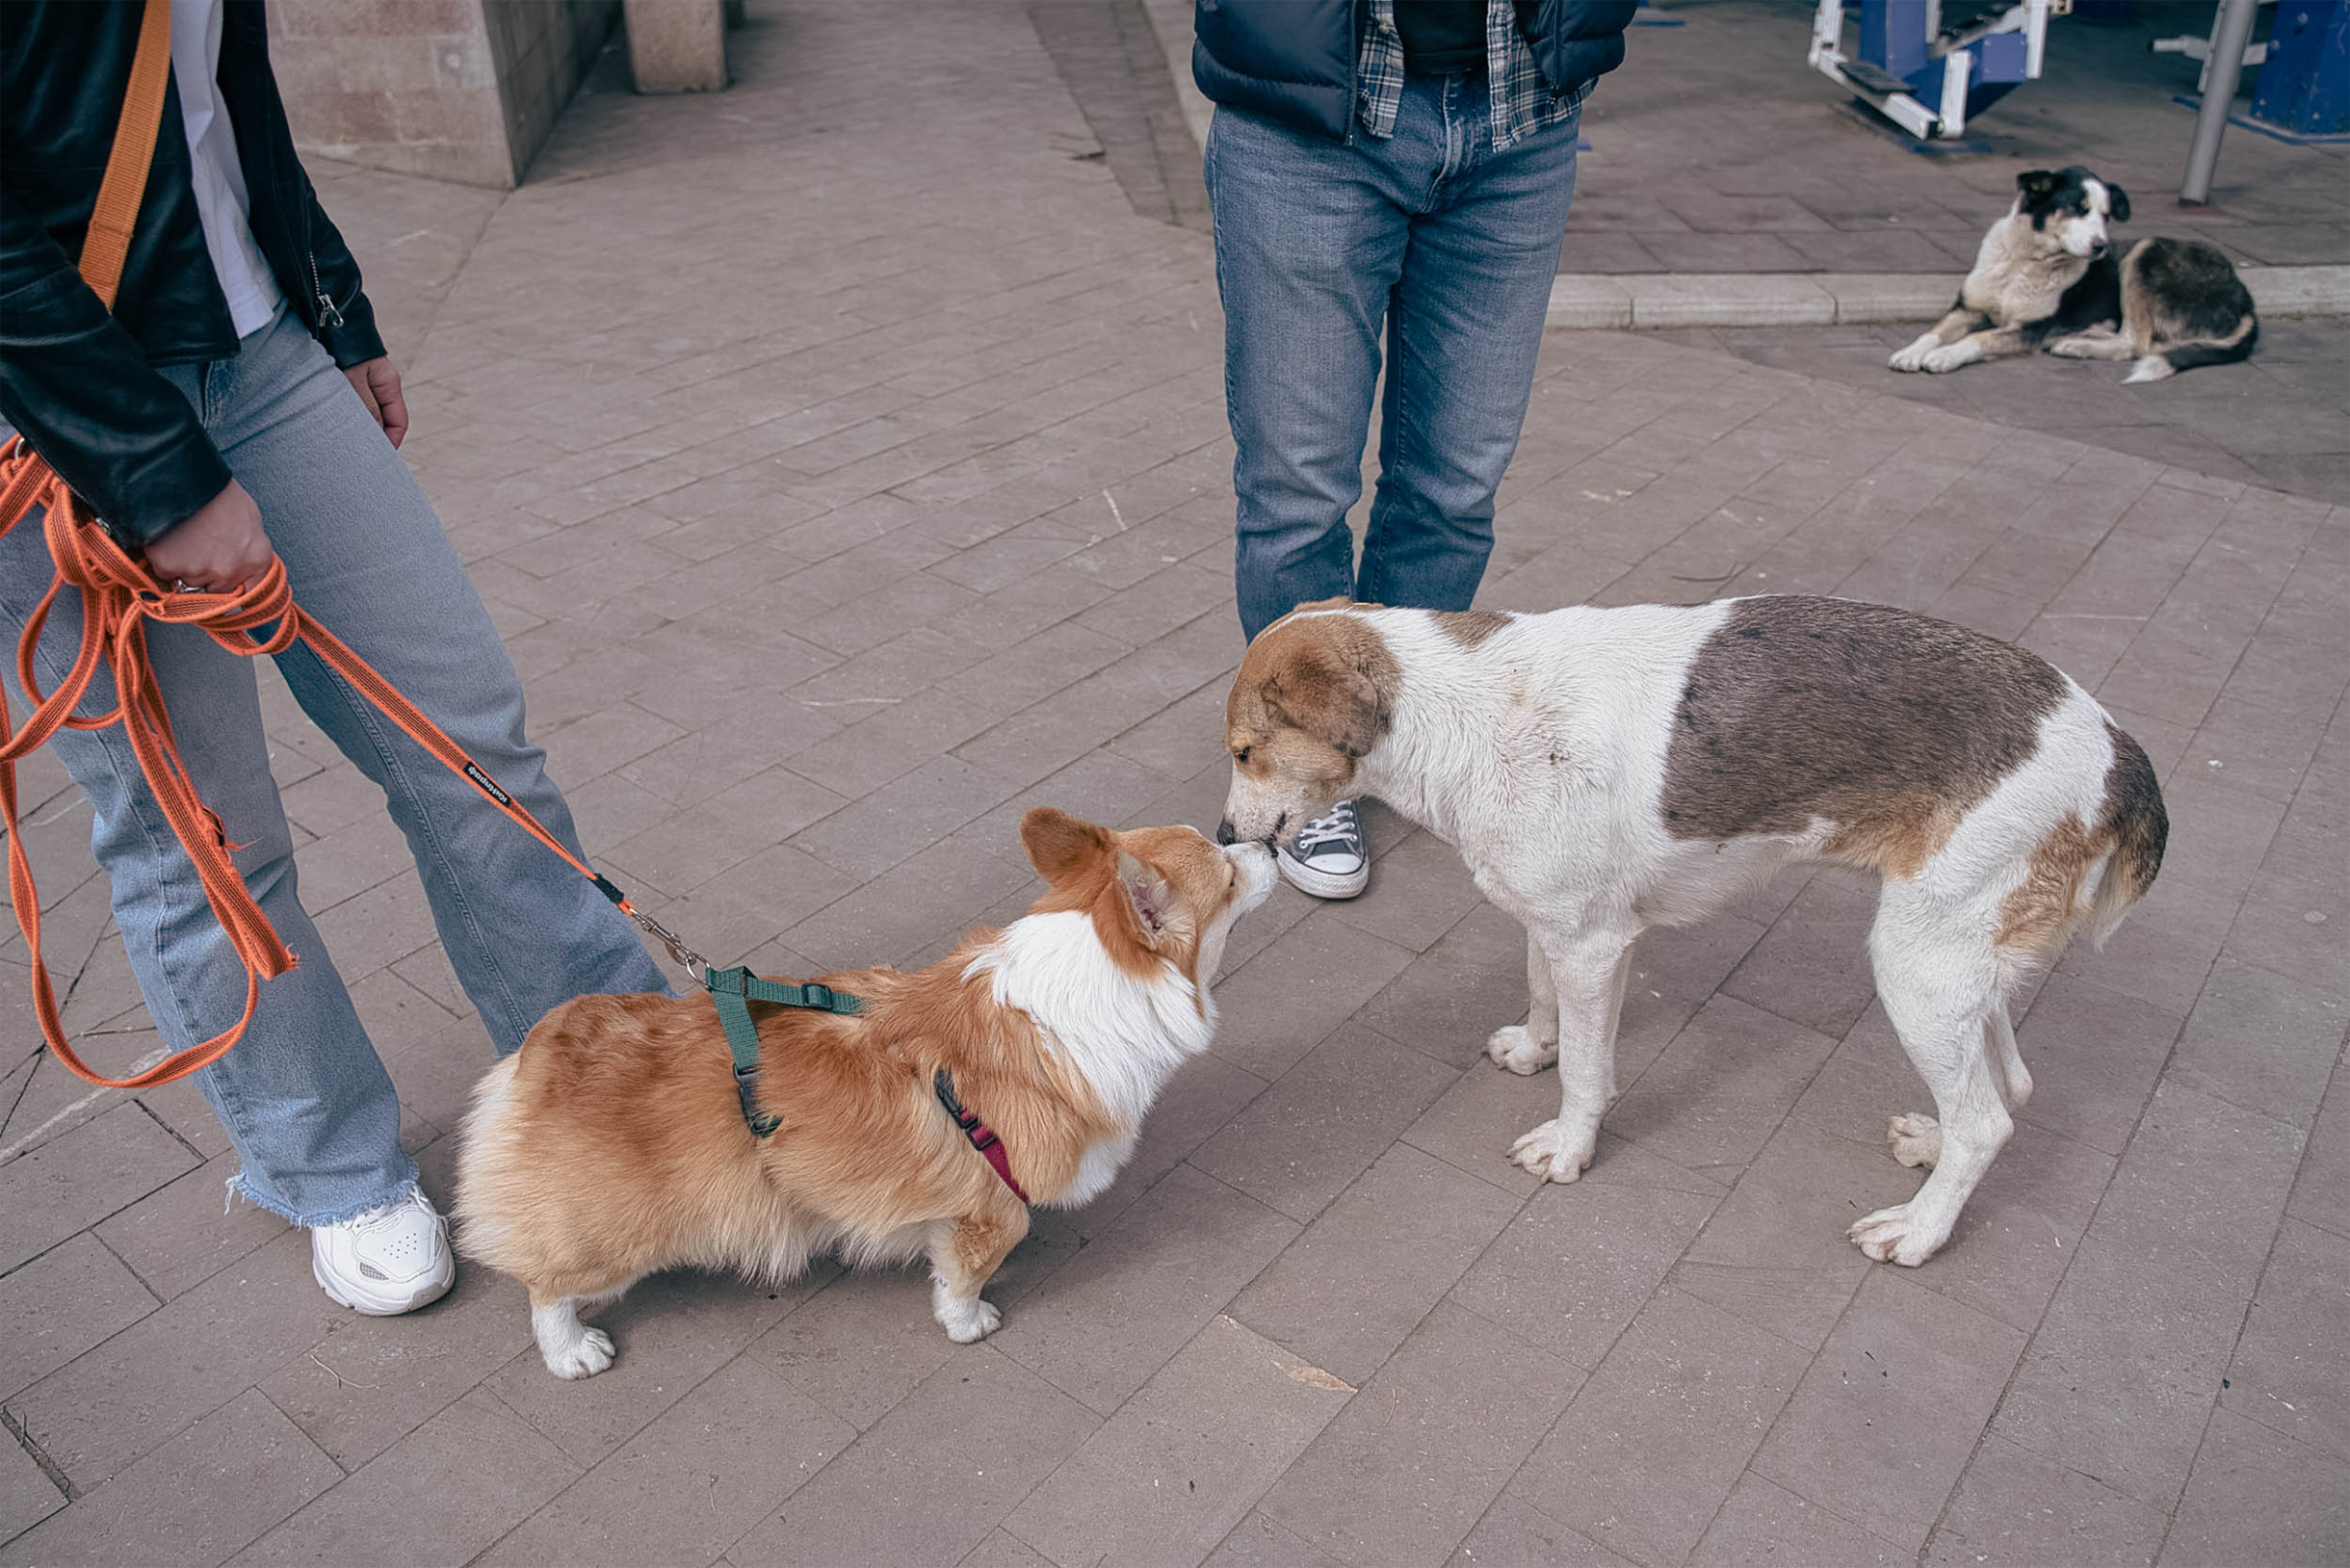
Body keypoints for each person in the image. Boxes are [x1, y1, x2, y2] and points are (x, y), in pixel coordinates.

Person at [0, 0, 668, 1315]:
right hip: (47, 417)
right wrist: (159, 476)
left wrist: (334, 305)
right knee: (205, 838)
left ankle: (626, 1090)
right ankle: (328, 1165)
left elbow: (212, 90)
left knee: (470, 741)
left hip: (255, 345)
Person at [1194, 0, 1636, 897]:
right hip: (1311, 113)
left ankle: (1382, 738)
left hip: (1523, 111)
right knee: (1298, 485)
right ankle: (1301, 767)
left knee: (1456, 484)